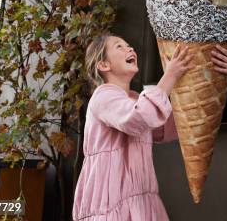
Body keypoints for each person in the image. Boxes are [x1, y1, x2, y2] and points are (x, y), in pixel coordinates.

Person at [72, 34, 193, 221]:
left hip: (140, 198)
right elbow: (139, 117)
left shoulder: (135, 98)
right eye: (119, 46)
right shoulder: (103, 96)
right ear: (104, 65)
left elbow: (162, 128)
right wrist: (169, 76)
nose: (130, 49)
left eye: (129, 45)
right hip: (112, 202)